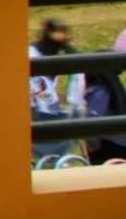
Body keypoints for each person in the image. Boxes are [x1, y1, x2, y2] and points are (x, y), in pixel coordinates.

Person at [29, 18, 85, 163]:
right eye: (58, 32)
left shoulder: (58, 50)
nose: (62, 36)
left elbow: (78, 65)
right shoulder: (33, 53)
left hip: (47, 107)